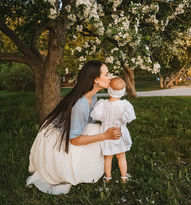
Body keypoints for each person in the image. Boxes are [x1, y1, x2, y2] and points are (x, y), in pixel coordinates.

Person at [26, 60, 122, 195]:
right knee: (96, 130)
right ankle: (80, 168)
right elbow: (74, 140)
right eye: (106, 74)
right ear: (96, 80)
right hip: (54, 140)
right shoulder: (80, 103)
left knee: (96, 128)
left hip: (69, 132)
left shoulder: (92, 96)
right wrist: (105, 136)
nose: (110, 77)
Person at [90, 77, 136, 183]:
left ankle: (108, 177)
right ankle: (124, 177)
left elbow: (97, 116)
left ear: (109, 90)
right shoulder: (124, 105)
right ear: (123, 91)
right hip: (118, 132)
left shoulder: (102, 104)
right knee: (121, 156)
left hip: (106, 133)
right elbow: (127, 119)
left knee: (108, 157)